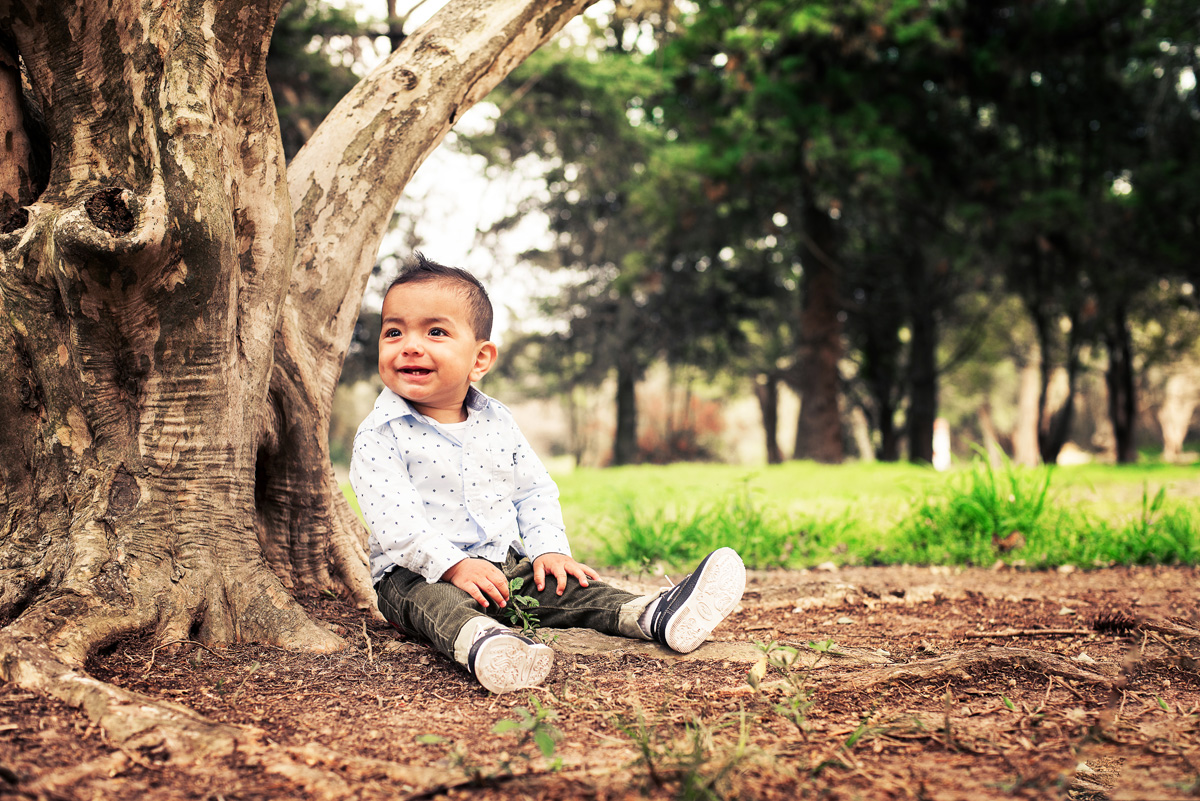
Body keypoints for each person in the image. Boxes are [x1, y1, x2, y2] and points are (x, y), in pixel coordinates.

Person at [350, 253, 745, 693]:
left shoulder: (497, 424)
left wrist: (549, 550)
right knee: (437, 605)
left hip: (504, 566)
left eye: (435, 331)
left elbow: (533, 492)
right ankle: (486, 645)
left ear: (480, 359)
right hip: (415, 574)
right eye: (394, 332)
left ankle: (652, 614)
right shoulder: (380, 435)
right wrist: (454, 566)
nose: (410, 344)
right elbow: (396, 524)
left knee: (567, 587)